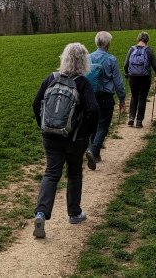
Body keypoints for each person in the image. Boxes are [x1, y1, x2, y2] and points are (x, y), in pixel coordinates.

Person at [32, 43, 99, 238]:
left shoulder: (51, 79)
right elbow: (93, 110)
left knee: (51, 173)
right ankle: (74, 213)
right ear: (83, 61)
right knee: (75, 173)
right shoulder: (82, 83)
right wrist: (86, 132)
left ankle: (41, 213)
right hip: (75, 139)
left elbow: (36, 104)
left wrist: (43, 127)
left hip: (50, 137)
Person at [86, 31, 127, 170]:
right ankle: (93, 150)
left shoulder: (88, 58)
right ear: (108, 44)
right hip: (105, 97)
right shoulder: (111, 59)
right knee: (103, 126)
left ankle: (96, 156)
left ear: (96, 43)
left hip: (90, 96)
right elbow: (118, 82)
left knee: (92, 125)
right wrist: (122, 98)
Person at [124, 32, 156, 128]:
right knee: (142, 98)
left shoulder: (132, 49)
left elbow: (125, 64)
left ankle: (131, 117)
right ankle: (139, 121)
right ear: (147, 40)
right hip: (145, 77)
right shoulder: (149, 50)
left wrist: (126, 73)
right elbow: (154, 65)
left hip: (132, 77)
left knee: (134, 96)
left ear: (138, 39)